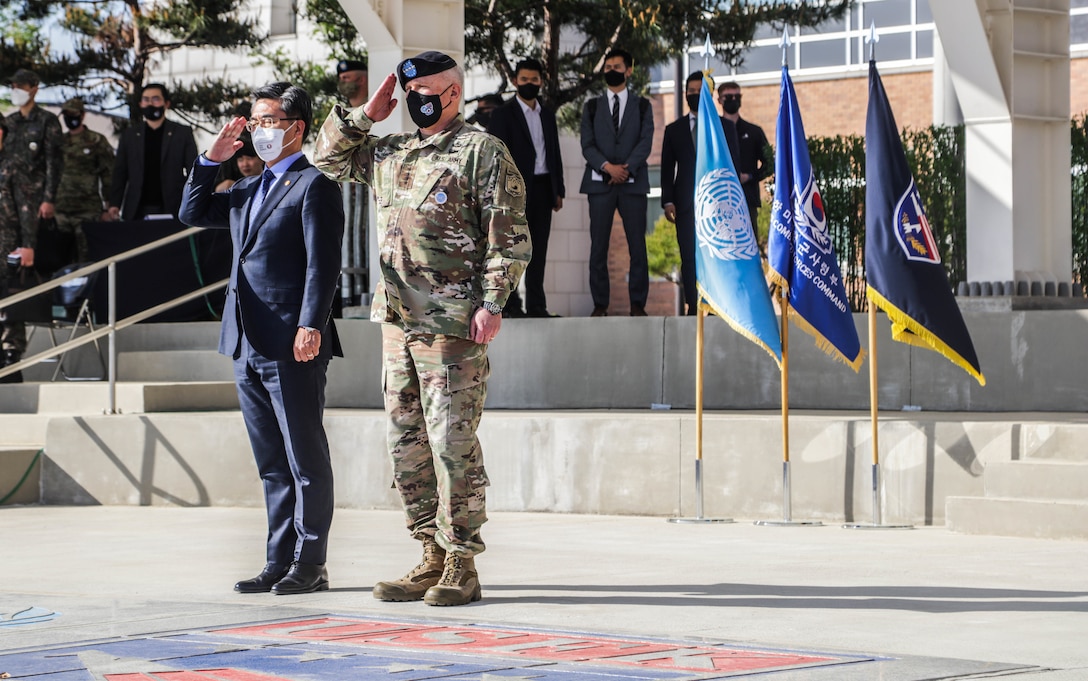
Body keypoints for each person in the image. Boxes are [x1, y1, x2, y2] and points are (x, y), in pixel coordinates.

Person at [314, 51, 530, 607]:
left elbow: (508, 236)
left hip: (453, 323)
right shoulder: (391, 150)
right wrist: (367, 111)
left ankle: (461, 559)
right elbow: (326, 160)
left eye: (426, 90)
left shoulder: (482, 151)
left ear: (453, 93)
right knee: (406, 442)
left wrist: (492, 302)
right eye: (409, 92)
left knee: (451, 440)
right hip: (394, 321)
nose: (416, 100)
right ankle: (429, 552)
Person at [178, 82, 344, 596]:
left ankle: (310, 562)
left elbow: (324, 263)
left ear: (296, 127)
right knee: (271, 462)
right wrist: (212, 158)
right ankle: (277, 560)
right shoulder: (246, 187)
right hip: (245, 341)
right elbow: (191, 211)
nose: (258, 130)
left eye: (268, 120)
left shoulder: (315, 186)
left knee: (304, 459)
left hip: (292, 340)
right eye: (254, 120)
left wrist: (310, 324)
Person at [487, 58, 564, 318]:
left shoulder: (548, 115)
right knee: (513, 248)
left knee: (538, 249)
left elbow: (553, 153)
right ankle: (510, 305)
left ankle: (537, 306)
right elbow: (495, 157)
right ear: (515, 81)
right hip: (514, 193)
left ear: (541, 81)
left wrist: (558, 189)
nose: (529, 84)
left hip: (543, 188)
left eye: (534, 80)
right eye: (524, 79)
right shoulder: (502, 114)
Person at [0, 69, 64, 382]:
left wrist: (48, 200)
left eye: (20, 86)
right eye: (11, 86)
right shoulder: (9, 122)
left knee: (11, 294)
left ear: (34, 89)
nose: (15, 90)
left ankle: (12, 355)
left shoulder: (47, 122)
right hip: (11, 213)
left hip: (25, 214)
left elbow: (54, 163)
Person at [579, 48, 654, 317]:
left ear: (629, 70)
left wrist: (626, 169)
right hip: (599, 185)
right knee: (598, 245)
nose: (612, 70)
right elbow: (586, 145)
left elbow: (645, 142)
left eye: (617, 65)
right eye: (608, 66)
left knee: (637, 246)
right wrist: (608, 167)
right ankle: (600, 304)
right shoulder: (591, 106)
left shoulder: (643, 105)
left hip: (633, 184)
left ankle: (638, 303)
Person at [660, 72, 733, 316]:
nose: (693, 95)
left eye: (698, 91)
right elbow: (667, 167)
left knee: (717, 254)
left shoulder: (724, 127)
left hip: (719, 205)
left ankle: (719, 303)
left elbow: (734, 165)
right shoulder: (674, 130)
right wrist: (668, 200)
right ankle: (694, 303)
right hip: (686, 206)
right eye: (690, 91)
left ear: (709, 94)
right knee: (689, 257)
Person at [108, 83, 198, 221]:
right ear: (140, 104)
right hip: (137, 207)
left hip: (173, 204)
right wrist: (114, 203)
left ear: (166, 103)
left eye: (156, 99)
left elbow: (194, 169)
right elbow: (120, 172)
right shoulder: (129, 135)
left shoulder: (182, 133)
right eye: (146, 99)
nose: (150, 104)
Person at [55, 97, 114, 264]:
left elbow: (108, 173)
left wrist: (108, 206)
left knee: (87, 259)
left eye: (73, 114)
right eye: (66, 114)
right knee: (61, 260)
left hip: (88, 210)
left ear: (82, 115)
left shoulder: (96, 140)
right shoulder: (59, 141)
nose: (70, 118)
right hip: (61, 211)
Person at [717, 81, 770, 224]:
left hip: (747, 198)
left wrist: (750, 176)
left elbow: (769, 163)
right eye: (728, 97)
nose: (733, 100)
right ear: (720, 100)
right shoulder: (714, 132)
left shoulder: (754, 131)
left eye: (737, 96)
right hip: (719, 199)